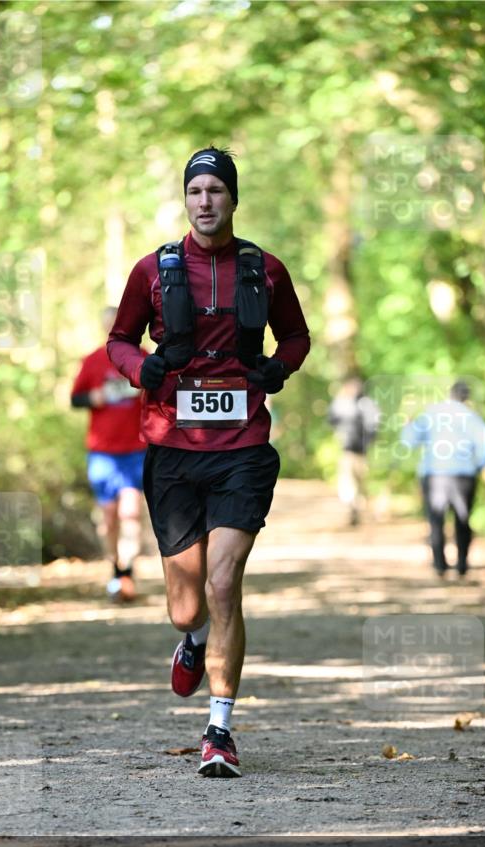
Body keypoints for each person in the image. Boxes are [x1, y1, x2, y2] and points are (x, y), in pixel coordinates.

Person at [108, 147, 310, 777]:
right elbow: (118, 340)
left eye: (217, 189)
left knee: (226, 585)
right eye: (196, 189)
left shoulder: (266, 269)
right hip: (171, 449)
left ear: (233, 197)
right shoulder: (152, 270)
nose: (205, 200)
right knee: (187, 607)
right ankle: (191, 641)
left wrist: (279, 368)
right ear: (185, 199)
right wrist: (145, 368)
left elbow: (297, 336)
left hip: (243, 449)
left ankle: (219, 731)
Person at [71, 307, 146, 601]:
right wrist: (96, 397)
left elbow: (164, 394)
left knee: (131, 513)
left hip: (137, 449)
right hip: (102, 453)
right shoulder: (92, 361)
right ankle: (114, 567)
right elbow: (75, 399)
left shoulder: (143, 356)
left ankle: (126, 573)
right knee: (109, 519)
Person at [401, 380, 485, 577]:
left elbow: (409, 441)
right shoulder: (471, 416)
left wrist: (407, 425)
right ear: (466, 397)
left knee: (436, 520)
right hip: (464, 474)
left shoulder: (432, 412)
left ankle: (440, 565)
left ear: (450, 394)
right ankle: (462, 564)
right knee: (462, 518)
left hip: (435, 474)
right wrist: (478, 465)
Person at [328, 375, 380, 525]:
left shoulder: (366, 404)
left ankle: (357, 507)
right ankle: (353, 508)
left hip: (361, 451)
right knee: (349, 482)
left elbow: (374, 426)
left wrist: (369, 441)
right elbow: (332, 419)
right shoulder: (343, 402)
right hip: (348, 450)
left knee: (359, 483)